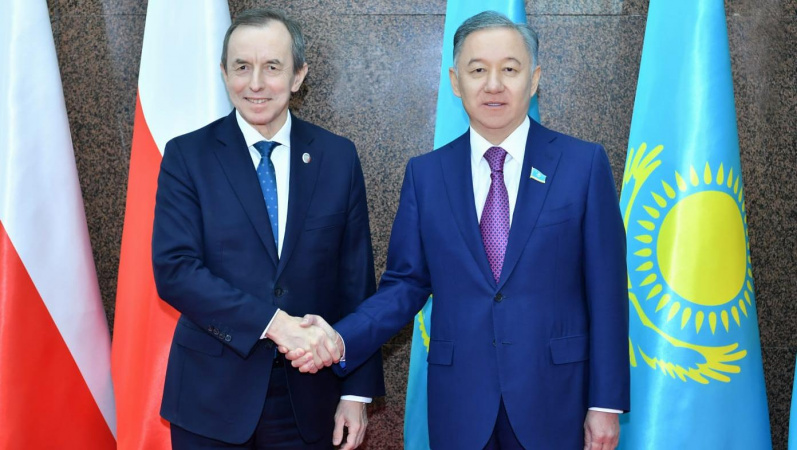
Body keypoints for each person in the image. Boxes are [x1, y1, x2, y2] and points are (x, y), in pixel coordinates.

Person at [286, 11, 629, 450]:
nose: (493, 85)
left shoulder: (582, 165)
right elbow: (405, 284)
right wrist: (339, 337)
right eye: (478, 70)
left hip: (557, 399)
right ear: (455, 81)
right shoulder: (427, 175)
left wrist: (605, 403)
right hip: (461, 403)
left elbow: (607, 293)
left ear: (535, 78)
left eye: (510, 69)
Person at [151, 8, 384, 449]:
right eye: (242, 67)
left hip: (310, 398)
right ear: (224, 73)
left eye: (272, 67)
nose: (255, 83)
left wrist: (356, 392)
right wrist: (275, 324)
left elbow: (356, 280)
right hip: (211, 398)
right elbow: (175, 271)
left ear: (298, 76)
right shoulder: (187, 157)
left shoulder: (337, 158)